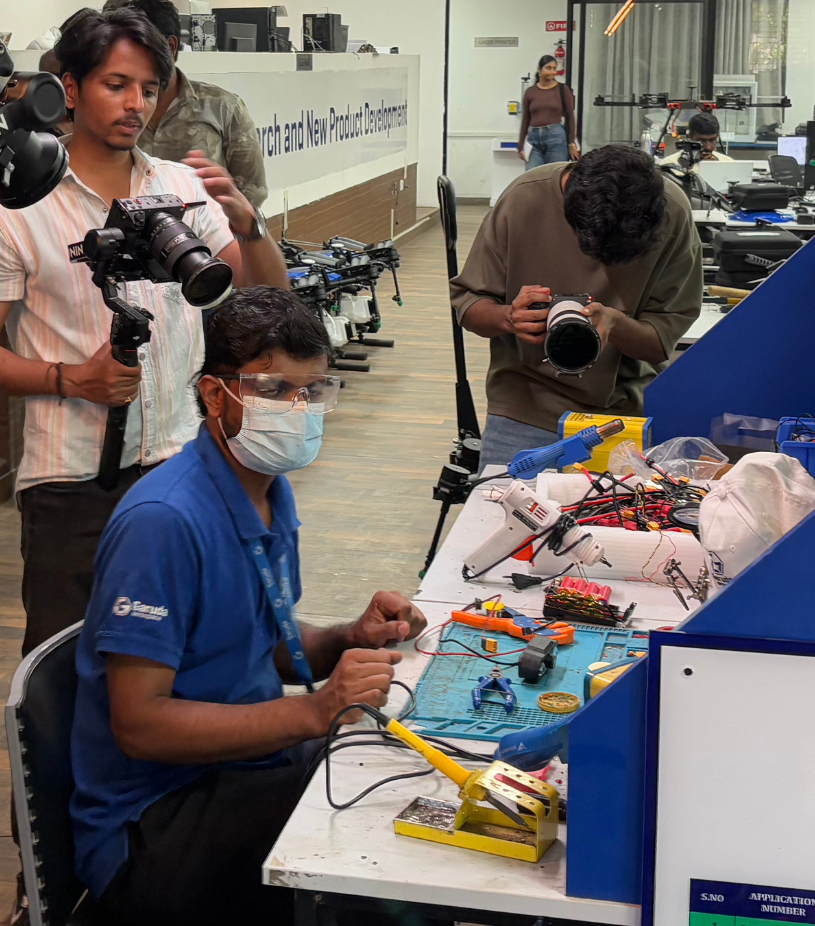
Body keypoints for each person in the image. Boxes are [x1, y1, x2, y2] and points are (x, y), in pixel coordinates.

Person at [71, 287, 425, 926]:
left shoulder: (267, 493)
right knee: (386, 860)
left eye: (312, 391)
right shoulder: (165, 522)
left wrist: (351, 637)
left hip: (245, 768)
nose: (298, 410)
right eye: (274, 390)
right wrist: (316, 711)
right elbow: (140, 725)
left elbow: (267, 648)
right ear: (215, 395)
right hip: (157, 821)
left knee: (402, 781)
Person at [0, 8, 293, 655]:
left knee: (187, 650)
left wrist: (249, 226)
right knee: (62, 662)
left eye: (150, 89)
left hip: (183, 465)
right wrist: (71, 379)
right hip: (70, 481)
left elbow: (262, 297)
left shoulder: (183, 187)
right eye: (116, 85)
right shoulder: (9, 216)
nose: (136, 104)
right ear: (70, 89)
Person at [451, 144, 702, 466]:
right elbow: (467, 304)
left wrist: (615, 325)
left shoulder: (671, 212)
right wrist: (508, 317)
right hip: (525, 404)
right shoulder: (524, 199)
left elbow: (659, 343)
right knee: (500, 497)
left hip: (624, 413)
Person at [128, 0, 270, 210]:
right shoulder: (120, 110)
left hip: (209, 229)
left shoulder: (222, 108)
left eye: (140, 51)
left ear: (171, 47)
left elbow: (253, 190)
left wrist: (217, 221)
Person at [518, 54, 579, 169]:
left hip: (556, 137)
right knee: (532, 175)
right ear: (539, 70)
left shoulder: (562, 89)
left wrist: (571, 142)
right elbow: (525, 119)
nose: (552, 72)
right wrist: (520, 145)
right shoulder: (530, 92)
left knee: (554, 174)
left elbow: (570, 117)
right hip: (533, 139)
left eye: (554, 68)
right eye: (548, 68)